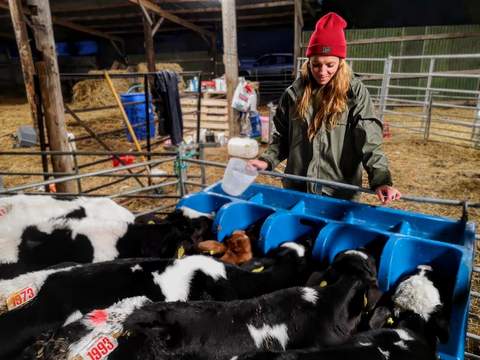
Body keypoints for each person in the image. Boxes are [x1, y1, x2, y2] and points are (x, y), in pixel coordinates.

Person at [248, 12, 401, 204]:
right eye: (316, 65)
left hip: (338, 192)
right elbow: (283, 138)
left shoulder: (354, 94)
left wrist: (381, 180)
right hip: (298, 189)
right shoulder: (293, 94)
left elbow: (369, 140)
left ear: (341, 62)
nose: (323, 72)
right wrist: (267, 160)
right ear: (308, 62)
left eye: (330, 65)